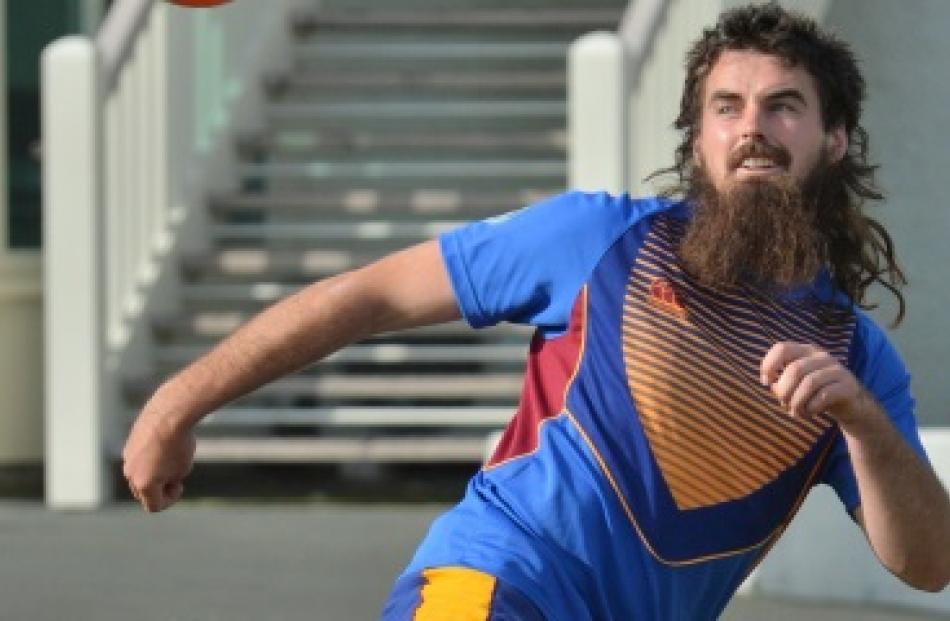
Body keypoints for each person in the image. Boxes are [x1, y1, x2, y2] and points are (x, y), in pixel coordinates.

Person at [122, 3, 950, 619]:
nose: (751, 129)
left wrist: (864, 426)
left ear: (834, 138)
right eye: (726, 107)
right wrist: (177, 399)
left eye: (783, 106)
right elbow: (368, 296)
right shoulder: (595, 238)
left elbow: (928, 563)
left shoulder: (854, 358)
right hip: (493, 578)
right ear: (698, 140)